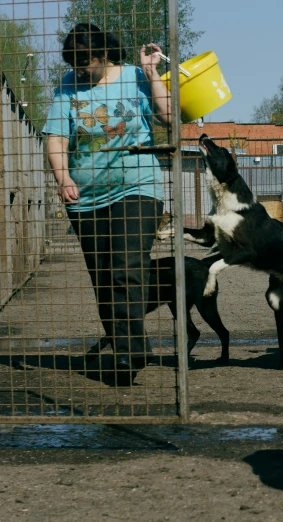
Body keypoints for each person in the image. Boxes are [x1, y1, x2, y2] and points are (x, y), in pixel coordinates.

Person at [43, 23, 172, 385]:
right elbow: (56, 138)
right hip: (85, 198)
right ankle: (130, 348)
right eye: (74, 63)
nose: (80, 70)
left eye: (85, 62)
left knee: (125, 268)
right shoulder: (68, 86)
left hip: (137, 186)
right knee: (103, 280)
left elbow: (169, 117)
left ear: (103, 54)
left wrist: (152, 72)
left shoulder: (135, 76)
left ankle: (129, 355)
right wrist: (63, 177)